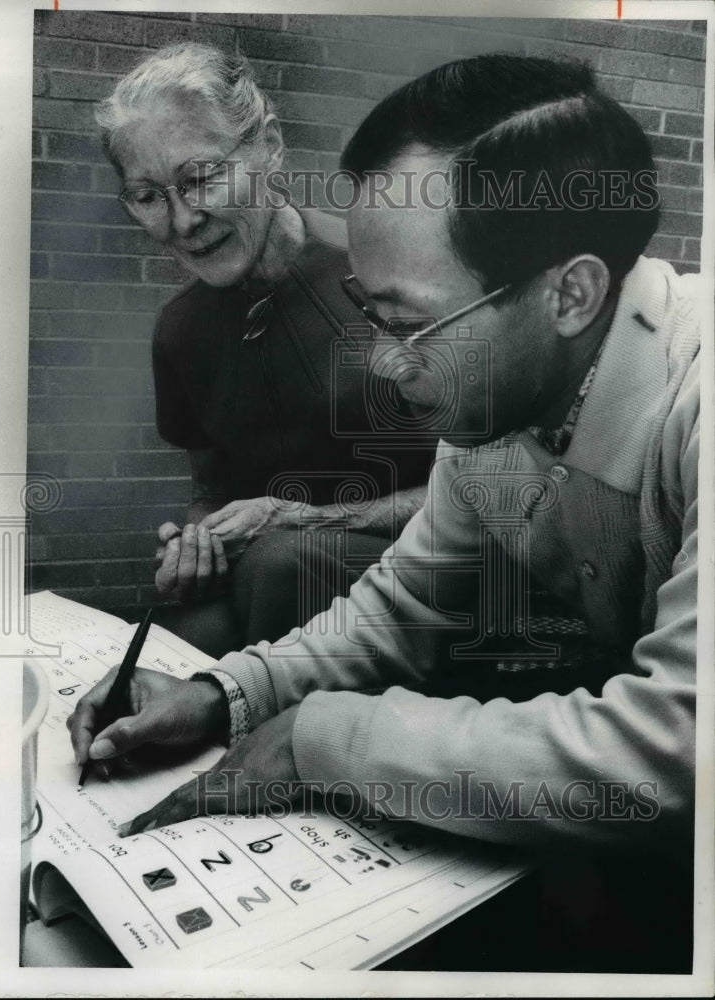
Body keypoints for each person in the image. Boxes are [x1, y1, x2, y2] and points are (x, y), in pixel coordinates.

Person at [71, 55, 702, 968]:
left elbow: (676, 755)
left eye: (409, 323)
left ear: (571, 294)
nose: (381, 361)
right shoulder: (490, 402)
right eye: (369, 311)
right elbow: (398, 609)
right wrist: (222, 695)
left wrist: (325, 742)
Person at [94, 42, 437, 657]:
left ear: (269, 147)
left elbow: (490, 486)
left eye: (200, 178)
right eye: (147, 196)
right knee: (153, 653)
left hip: (435, 573)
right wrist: (197, 544)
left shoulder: (391, 276)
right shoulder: (178, 330)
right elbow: (213, 489)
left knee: (283, 566)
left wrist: (299, 521)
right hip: (279, 586)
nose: (182, 222)